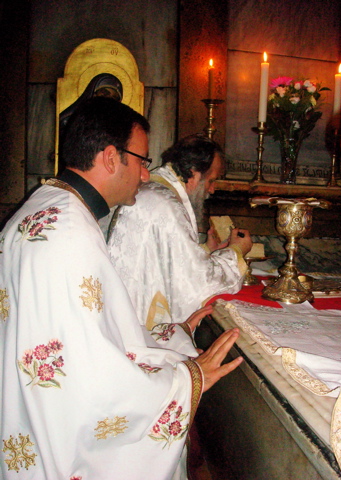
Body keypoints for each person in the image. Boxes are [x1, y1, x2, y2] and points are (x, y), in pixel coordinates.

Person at [0, 97, 242, 479]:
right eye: (142, 161)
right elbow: (97, 383)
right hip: (56, 448)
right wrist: (190, 378)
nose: (146, 175)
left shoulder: (48, 205)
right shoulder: (69, 232)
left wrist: (172, 334)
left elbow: (77, 342)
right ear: (112, 158)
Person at [107, 134, 252, 330]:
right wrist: (236, 251)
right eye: (211, 180)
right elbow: (197, 284)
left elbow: (163, 261)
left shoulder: (155, 190)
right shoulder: (166, 203)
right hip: (142, 329)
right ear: (194, 173)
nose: (212, 189)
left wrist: (205, 251)